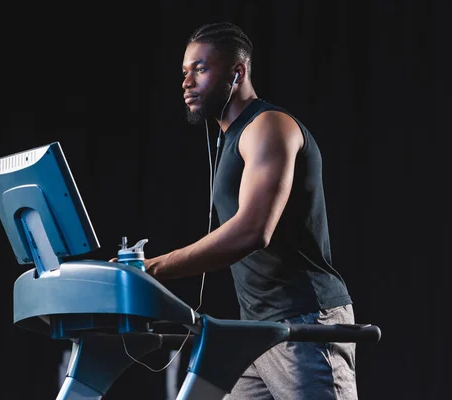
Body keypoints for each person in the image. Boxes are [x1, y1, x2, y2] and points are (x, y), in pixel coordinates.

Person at [119, 22, 358, 399]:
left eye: (201, 68)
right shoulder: (231, 139)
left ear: (237, 72)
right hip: (259, 330)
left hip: (304, 321)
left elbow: (252, 231)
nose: (187, 82)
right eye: (184, 72)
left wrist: (153, 268)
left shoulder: (268, 127)